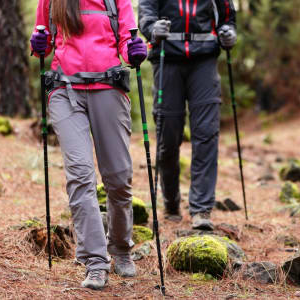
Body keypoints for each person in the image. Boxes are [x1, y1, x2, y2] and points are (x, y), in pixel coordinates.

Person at [30, 0, 147, 290]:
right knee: (80, 174)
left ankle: (120, 247)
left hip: (108, 87)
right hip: (64, 90)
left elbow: (126, 41)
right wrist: (38, 43)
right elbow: (42, 46)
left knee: (118, 178)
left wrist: (133, 52)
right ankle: (96, 261)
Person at [139, 0, 237, 230]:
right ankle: (171, 201)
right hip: (167, 60)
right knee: (168, 139)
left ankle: (201, 209)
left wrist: (229, 32)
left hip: (204, 62)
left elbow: (227, 17)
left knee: (206, 134)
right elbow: (145, 14)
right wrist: (153, 29)